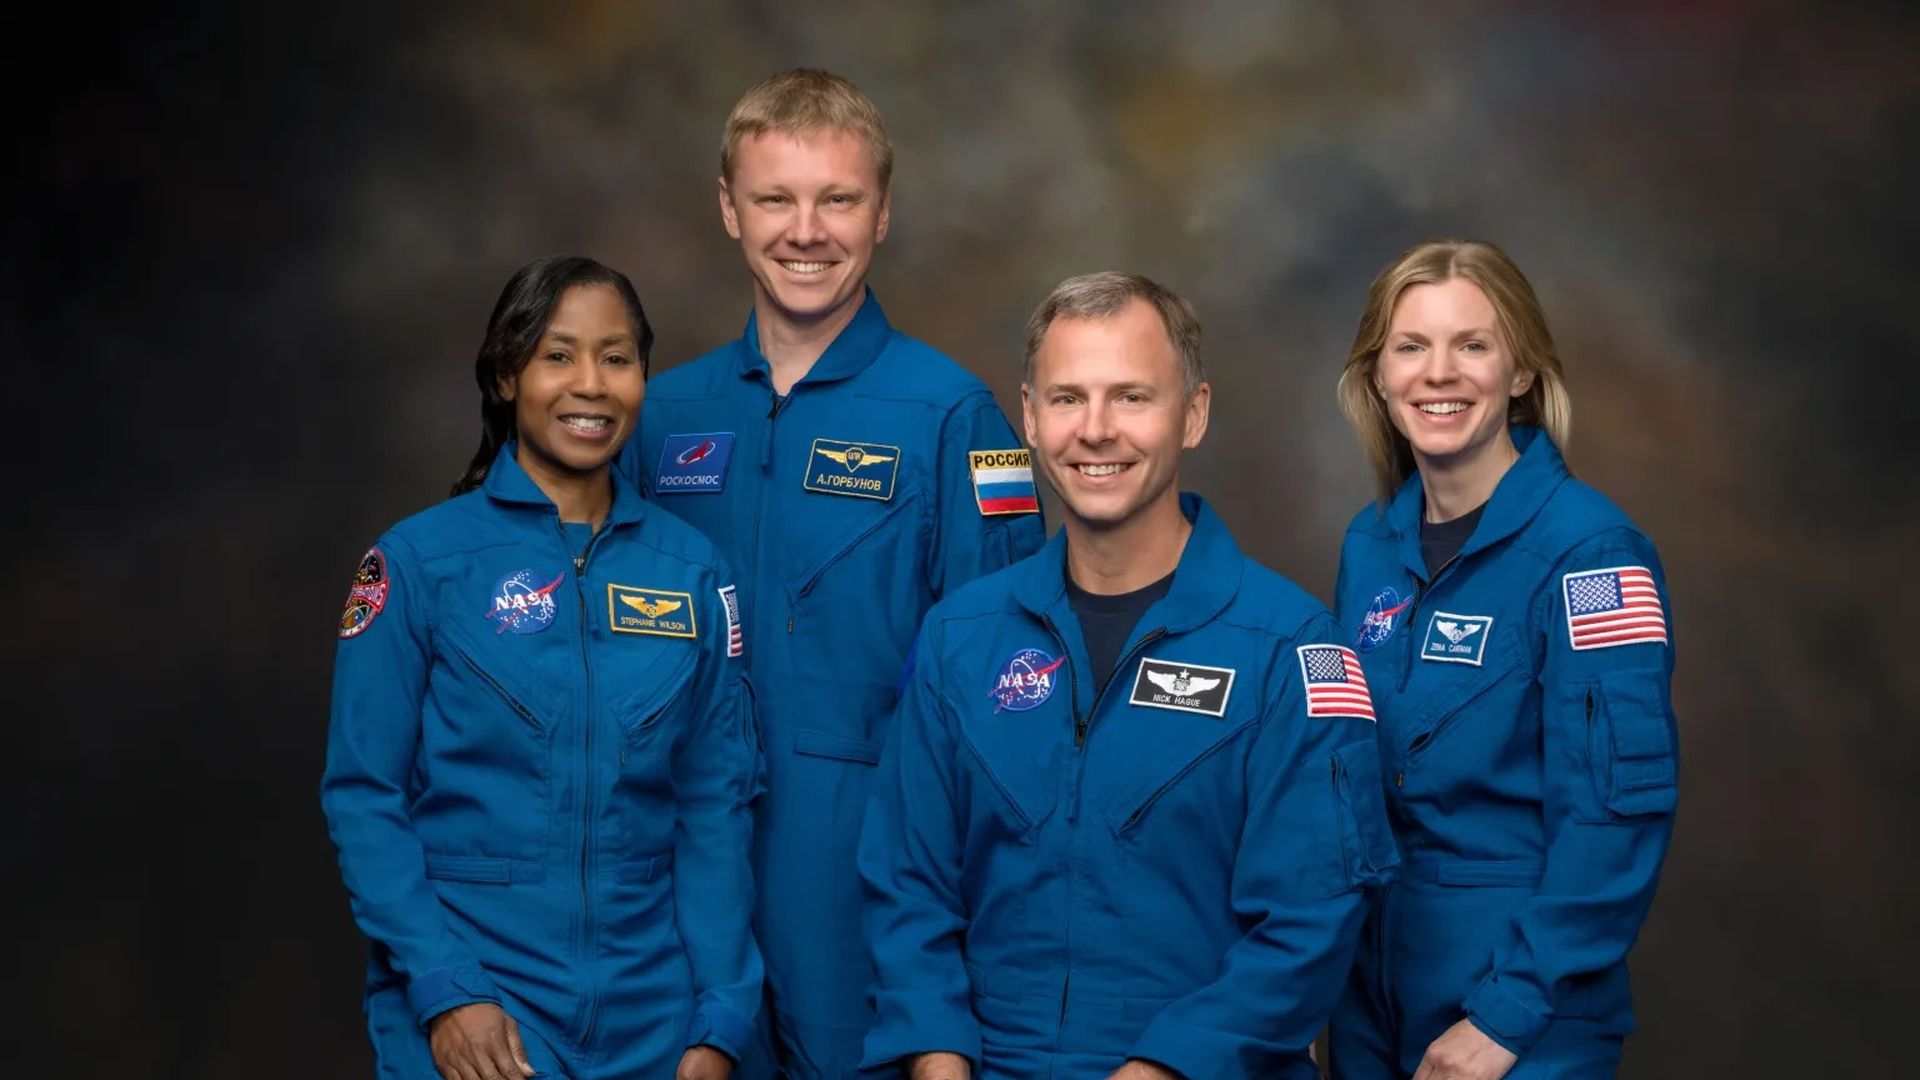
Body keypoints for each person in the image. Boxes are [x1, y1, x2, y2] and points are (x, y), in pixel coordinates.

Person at [859, 272, 1398, 1080]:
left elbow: (1309, 925)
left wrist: (1161, 1071)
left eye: (1132, 398)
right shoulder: (958, 641)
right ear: (1032, 420)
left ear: (1195, 414)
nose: (1097, 431)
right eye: (1069, 398)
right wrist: (939, 1065)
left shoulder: (1288, 650)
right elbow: (908, 887)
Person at [619, 69, 1046, 1078]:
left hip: (868, 898)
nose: (805, 231)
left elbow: (1010, 696)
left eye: (838, 199)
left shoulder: (953, 418)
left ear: (883, 212)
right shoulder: (661, 420)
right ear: (730, 208)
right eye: (775, 198)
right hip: (678, 890)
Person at [322, 256, 761, 1080]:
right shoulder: (418, 564)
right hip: (480, 1007)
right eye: (558, 355)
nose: (590, 385)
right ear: (504, 374)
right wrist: (448, 992)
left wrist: (722, 1019)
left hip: (653, 1018)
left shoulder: (695, 574)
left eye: (617, 357)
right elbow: (363, 797)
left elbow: (714, 809)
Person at [1324, 240, 1678, 1079]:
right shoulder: (1369, 546)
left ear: (1520, 371)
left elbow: (1615, 814)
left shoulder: (1591, 556)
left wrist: (1507, 1016)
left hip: (1520, 1006)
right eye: (1412, 347)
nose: (1438, 373)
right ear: (1379, 377)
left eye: (1472, 345)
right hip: (1370, 994)